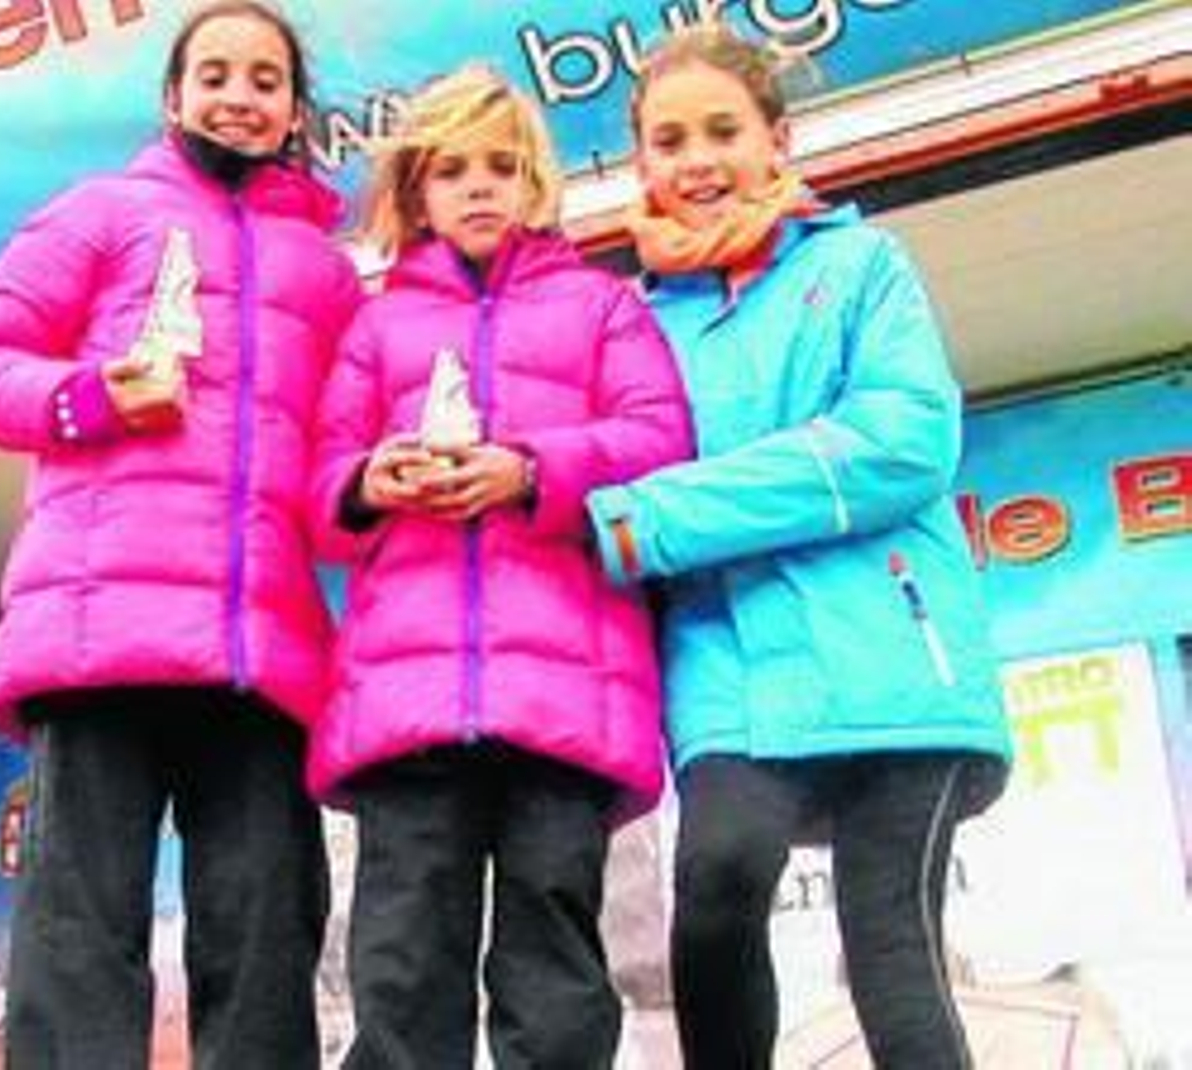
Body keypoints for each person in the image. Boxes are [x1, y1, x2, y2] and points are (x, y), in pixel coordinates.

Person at [0, 2, 362, 1066]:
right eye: (213, 73)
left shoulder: (330, 273)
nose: (238, 94)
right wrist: (86, 398)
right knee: (79, 927)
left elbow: (341, 454)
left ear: (294, 111)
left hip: (260, 651)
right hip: (100, 628)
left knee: (268, 924)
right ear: (172, 96)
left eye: (265, 79)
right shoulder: (101, 210)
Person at [584, 24, 1014, 1070]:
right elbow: (599, 474)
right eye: (669, 140)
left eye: (722, 131)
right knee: (716, 884)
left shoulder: (861, 264)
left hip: (893, 651)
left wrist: (656, 514)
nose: (697, 161)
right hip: (725, 664)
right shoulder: (626, 324)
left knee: (892, 939)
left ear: (776, 139)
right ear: (639, 162)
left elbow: (901, 441)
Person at [306, 66, 695, 1070]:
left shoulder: (604, 306)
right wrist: (368, 481)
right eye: (451, 170)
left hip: (563, 695)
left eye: (502, 166)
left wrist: (531, 470)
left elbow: (661, 442)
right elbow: (315, 490)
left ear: (536, 185)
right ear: (415, 192)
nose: (479, 187)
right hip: (407, 702)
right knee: (398, 963)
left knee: (554, 963)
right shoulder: (374, 324)